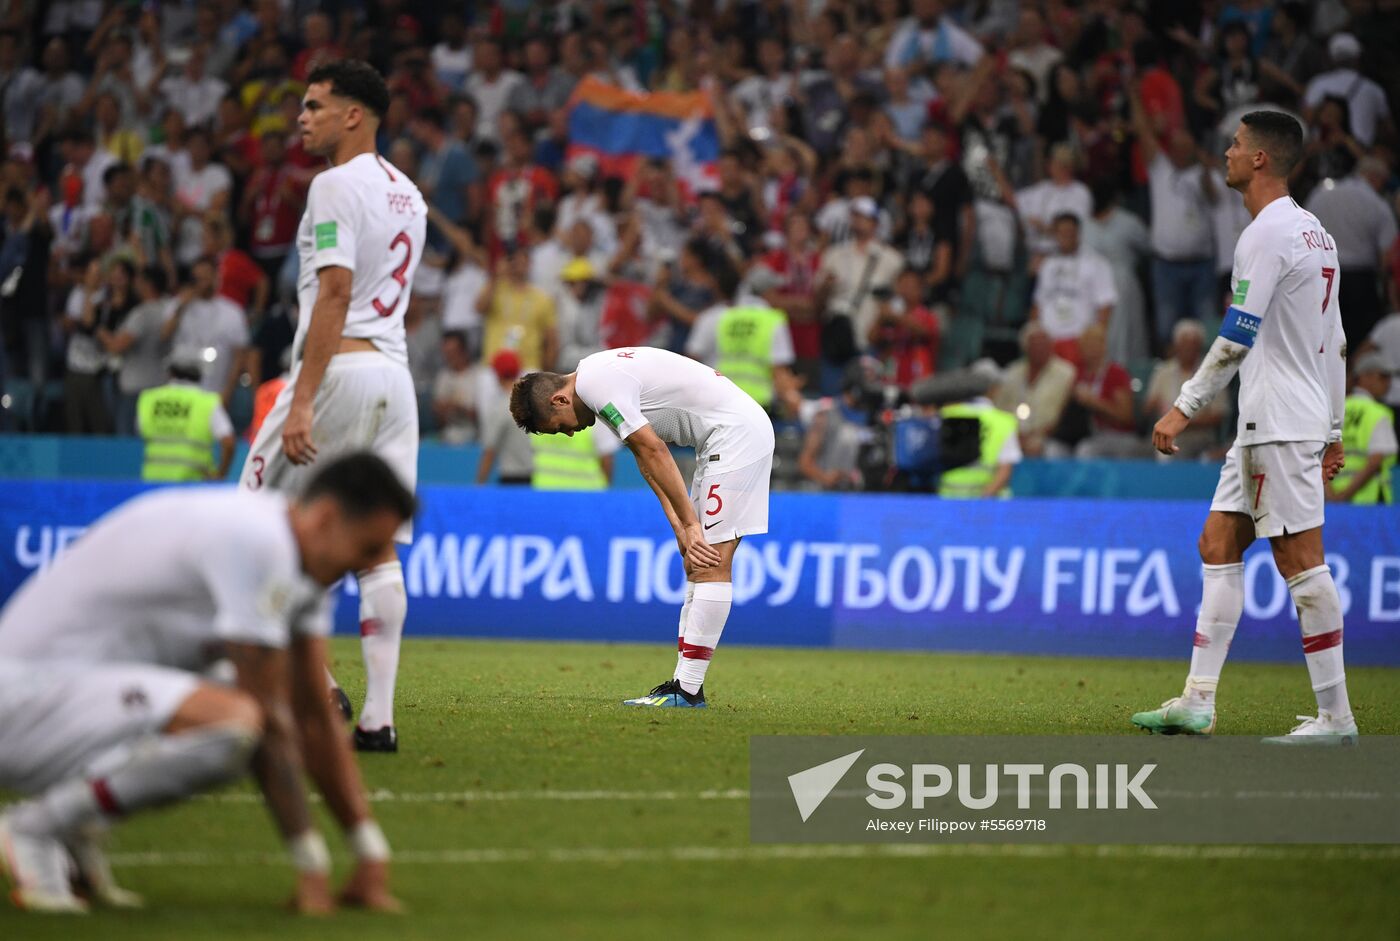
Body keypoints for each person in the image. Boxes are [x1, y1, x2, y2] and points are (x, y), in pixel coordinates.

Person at [0, 453, 410, 914]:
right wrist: (311, 864)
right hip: (23, 700)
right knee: (235, 722)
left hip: (74, 693)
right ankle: (36, 828)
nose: (372, 565)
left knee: (240, 708)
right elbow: (269, 721)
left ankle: (71, 836)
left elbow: (315, 715)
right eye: (369, 547)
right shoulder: (259, 542)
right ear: (327, 518)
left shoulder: (298, 560)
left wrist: (368, 853)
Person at [1136, 111, 1354, 743]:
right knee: (1217, 543)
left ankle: (1337, 717)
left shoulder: (1264, 234)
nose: (1226, 153)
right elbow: (1333, 338)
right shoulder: (1317, 234)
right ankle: (1198, 699)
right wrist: (1335, 425)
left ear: (1260, 159)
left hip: (1277, 421)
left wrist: (1184, 404)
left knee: (1301, 561)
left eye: (1234, 145)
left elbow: (1238, 333)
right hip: (1282, 419)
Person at [239, 61, 427, 754]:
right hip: (395, 380)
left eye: (315, 106)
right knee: (375, 546)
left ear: (354, 116)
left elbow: (337, 291)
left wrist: (302, 400)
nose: (302, 117)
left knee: (249, 519)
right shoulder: (410, 194)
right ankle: (377, 718)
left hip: (340, 369)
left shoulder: (332, 185)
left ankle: (311, 684)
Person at [510, 346, 776, 708]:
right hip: (723, 437)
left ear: (559, 399)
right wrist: (682, 527)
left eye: (560, 428)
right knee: (696, 561)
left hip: (737, 436)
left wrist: (691, 525)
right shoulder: (596, 380)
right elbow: (644, 458)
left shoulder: (598, 386)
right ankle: (684, 685)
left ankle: (689, 691)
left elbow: (655, 451)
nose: (570, 435)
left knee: (712, 562)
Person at [137, 354, 236, 482]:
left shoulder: (149, 399)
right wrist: (220, 475)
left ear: (170, 372)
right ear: (200, 374)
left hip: (153, 485)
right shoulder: (207, 402)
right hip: (192, 486)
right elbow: (228, 443)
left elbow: (141, 430)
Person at [1144, 320, 1227, 460]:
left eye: (1193, 346)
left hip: (1198, 436)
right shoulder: (1163, 371)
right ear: (1176, 346)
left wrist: (1184, 422)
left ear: (1200, 347)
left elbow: (1219, 414)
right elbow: (1147, 408)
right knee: (1138, 451)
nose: (1188, 350)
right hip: (1163, 431)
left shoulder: (1212, 374)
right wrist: (1155, 406)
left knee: (1177, 449)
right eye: (1184, 345)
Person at [938, 360, 1021, 499]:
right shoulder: (1004, 421)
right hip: (990, 507)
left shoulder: (946, 414)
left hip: (949, 502)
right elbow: (1004, 471)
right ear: (994, 388)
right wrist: (980, 503)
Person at [1328, 352, 1395, 504]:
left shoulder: (1334, 411)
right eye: (1383, 376)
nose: (1388, 382)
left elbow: (1318, 457)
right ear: (1365, 377)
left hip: (1332, 504)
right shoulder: (1378, 413)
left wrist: (1332, 497)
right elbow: (1375, 462)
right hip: (1371, 504)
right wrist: (1344, 496)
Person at [476, 349, 534, 485]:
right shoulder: (531, 404)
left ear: (497, 374)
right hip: (535, 476)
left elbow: (489, 451)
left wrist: (479, 484)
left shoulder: (500, 408)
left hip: (510, 477)